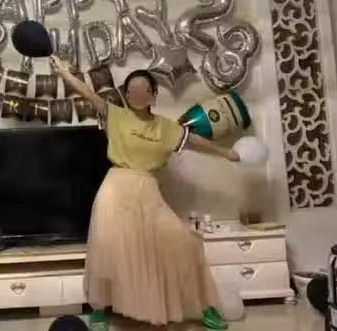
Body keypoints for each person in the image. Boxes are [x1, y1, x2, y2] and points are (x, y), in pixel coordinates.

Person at [49, 55, 240, 331]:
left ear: (153, 94)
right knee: (107, 248)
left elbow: (194, 141)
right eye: (131, 91)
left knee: (185, 243)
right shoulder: (115, 115)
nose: (137, 95)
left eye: (143, 90)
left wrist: (225, 152)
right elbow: (88, 93)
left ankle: (205, 307)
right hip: (115, 189)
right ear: (126, 95)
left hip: (147, 191)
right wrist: (64, 73)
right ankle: (99, 309)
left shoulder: (166, 127)